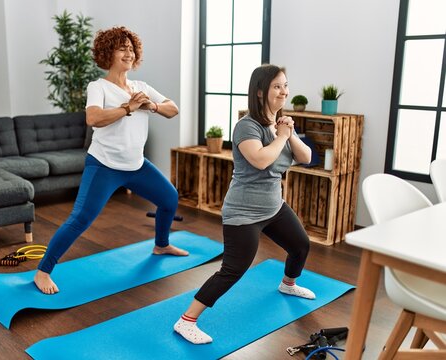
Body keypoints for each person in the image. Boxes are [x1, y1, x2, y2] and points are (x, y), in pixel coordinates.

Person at [34, 26, 188, 295]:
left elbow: (173, 109)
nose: (128, 52)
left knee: (169, 199)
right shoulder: (99, 86)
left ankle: (161, 244)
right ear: (108, 53)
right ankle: (43, 271)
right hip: (104, 165)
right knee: (80, 218)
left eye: (131, 48)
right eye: (122, 48)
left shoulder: (141, 88)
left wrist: (149, 105)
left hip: (136, 165)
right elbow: (93, 119)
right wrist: (129, 107)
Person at [174, 64, 315, 344]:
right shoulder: (246, 127)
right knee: (233, 269)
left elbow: (307, 157)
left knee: (301, 245)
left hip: (273, 207)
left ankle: (288, 284)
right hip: (243, 212)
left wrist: (290, 133)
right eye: (277, 86)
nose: (284, 91)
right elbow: (262, 159)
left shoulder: (280, 125)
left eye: (285, 85)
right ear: (261, 91)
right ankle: (186, 320)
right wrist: (282, 137)